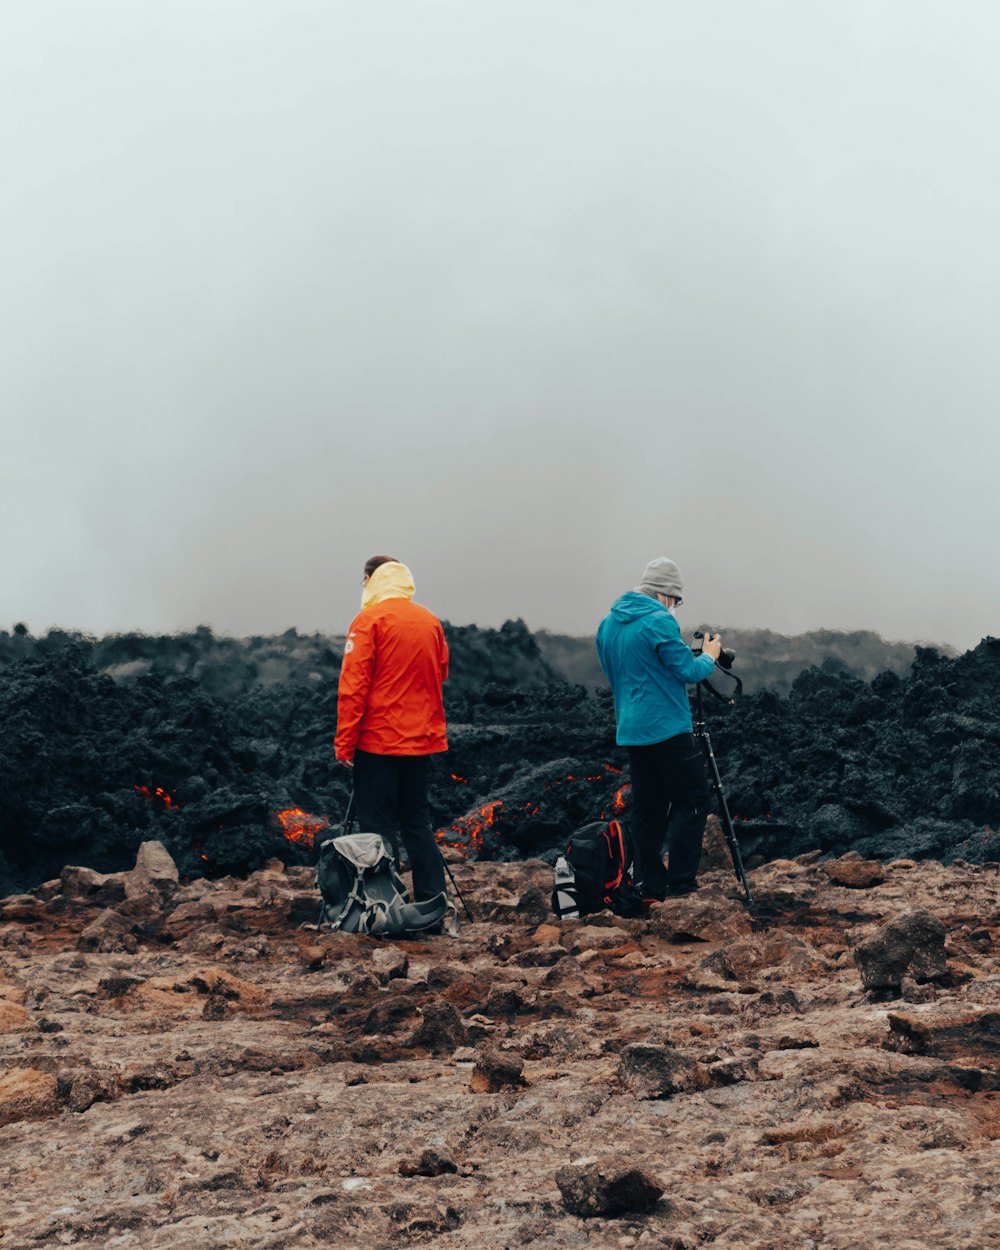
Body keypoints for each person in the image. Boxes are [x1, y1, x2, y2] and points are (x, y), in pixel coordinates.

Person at [596, 556, 722, 901]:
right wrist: (710, 655)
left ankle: (650, 885)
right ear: (665, 594)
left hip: (632, 730)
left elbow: (614, 672)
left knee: (648, 806)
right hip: (667, 728)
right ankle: (681, 885)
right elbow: (688, 671)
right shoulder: (658, 621)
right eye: (675, 600)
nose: (674, 607)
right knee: (693, 799)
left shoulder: (607, 624)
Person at [334, 555, 449, 903]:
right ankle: (432, 899)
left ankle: (385, 902)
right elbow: (441, 674)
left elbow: (353, 688)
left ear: (372, 579)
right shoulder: (430, 621)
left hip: (379, 742)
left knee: (379, 825)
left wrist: (345, 743)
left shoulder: (369, 621)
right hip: (421, 742)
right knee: (416, 821)